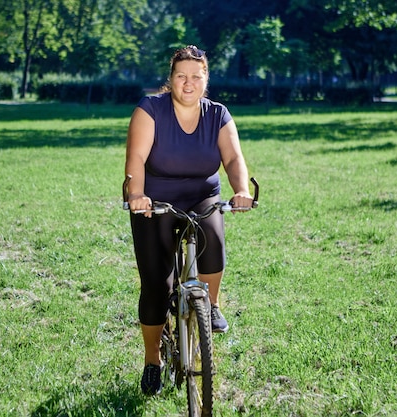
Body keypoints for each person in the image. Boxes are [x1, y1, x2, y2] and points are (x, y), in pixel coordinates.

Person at [124, 45, 254, 395]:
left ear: (205, 80)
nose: (188, 83)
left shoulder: (218, 114)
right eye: (181, 75)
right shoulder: (150, 110)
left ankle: (209, 306)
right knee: (157, 287)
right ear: (171, 78)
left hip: (202, 195)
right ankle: (153, 359)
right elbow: (136, 158)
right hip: (155, 201)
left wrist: (241, 189)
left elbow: (234, 158)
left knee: (212, 235)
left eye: (196, 76)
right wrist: (137, 195)